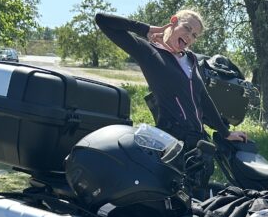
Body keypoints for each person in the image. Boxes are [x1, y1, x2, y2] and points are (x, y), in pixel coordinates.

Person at [94, 8, 248, 153]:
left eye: (194, 35)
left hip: (197, 141)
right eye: (187, 28)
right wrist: (145, 29)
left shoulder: (191, 59)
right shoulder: (149, 52)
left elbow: (203, 97)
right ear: (173, 22)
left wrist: (225, 133)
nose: (189, 36)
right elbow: (102, 20)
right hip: (170, 140)